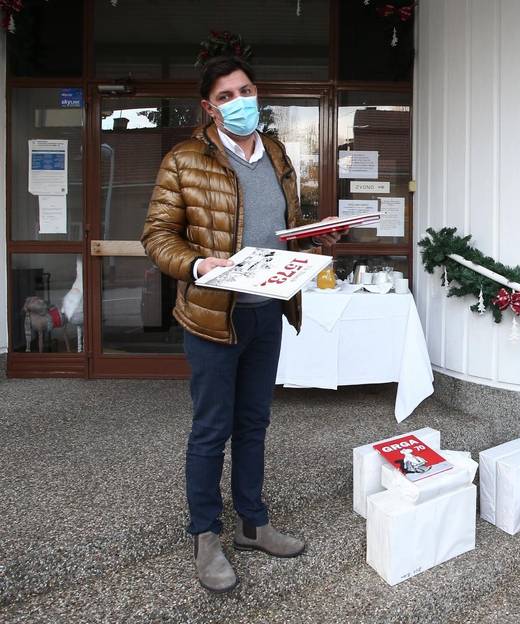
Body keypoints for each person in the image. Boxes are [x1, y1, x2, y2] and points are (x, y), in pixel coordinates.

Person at [142, 55, 345, 593]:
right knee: (212, 429)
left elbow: (286, 228)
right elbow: (158, 237)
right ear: (209, 107)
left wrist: (314, 238)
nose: (240, 101)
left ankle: (253, 523)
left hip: (266, 313)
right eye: (227, 95)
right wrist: (198, 264)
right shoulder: (183, 160)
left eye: (247, 89)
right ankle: (205, 534)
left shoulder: (277, 153)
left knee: (254, 424)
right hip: (212, 317)